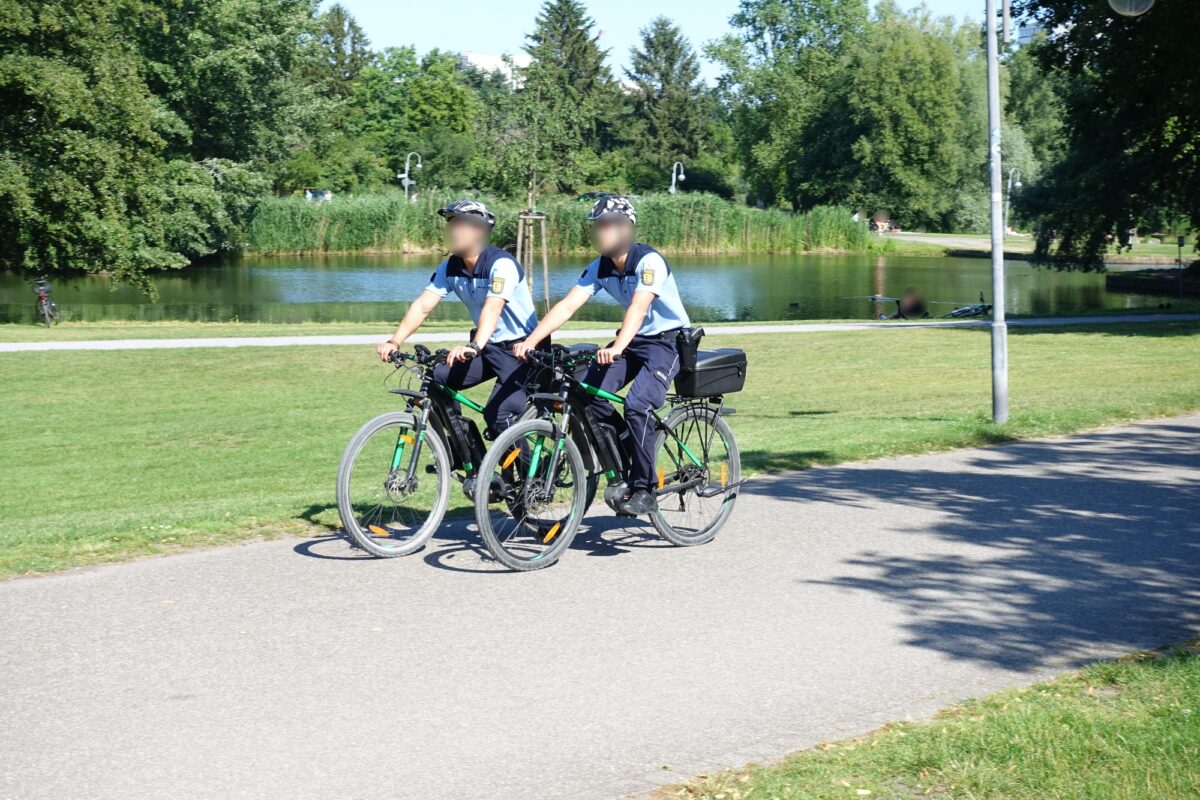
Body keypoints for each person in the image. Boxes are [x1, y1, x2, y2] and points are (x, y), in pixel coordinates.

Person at [514, 196, 691, 516]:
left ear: (625, 229)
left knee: (638, 404)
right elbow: (568, 305)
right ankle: (626, 445)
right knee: (586, 392)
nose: (599, 233)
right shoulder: (600, 267)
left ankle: (644, 487)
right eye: (596, 227)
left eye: (606, 226)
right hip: (632, 341)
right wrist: (532, 340)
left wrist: (618, 347)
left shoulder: (649, 261)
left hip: (666, 343)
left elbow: (639, 308)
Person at [377, 199, 538, 437]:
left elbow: (493, 308)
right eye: (451, 226)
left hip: (521, 351)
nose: (453, 232)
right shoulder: (451, 267)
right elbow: (422, 305)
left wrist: (474, 345)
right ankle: (466, 454)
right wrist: (395, 341)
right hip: (488, 347)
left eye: (460, 226)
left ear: (479, 231)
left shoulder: (501, 264)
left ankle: (525, 475)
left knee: (498, 415)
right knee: (435, 380)